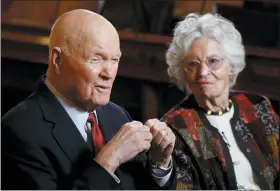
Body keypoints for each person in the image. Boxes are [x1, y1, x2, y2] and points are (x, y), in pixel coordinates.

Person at [1, 9, 176, 189]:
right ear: (57, 59)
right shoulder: (19, 130)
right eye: (96, 59)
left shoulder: (117, 115)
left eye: (114, 60)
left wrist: (159, 164)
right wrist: (109, 161)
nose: (108, 73)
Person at [162, 13, 279, 190]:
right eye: (193, 64)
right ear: (183, 71)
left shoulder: (256, 106)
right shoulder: (176, 125)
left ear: (230, 65)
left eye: (213, 61)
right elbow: (182, 186)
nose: (202, 72)